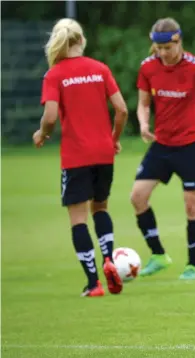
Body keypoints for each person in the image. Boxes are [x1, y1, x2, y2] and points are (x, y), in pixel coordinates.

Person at [33, 18, 129, 297]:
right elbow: (121, 110)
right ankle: (109, 259)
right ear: (82, 41)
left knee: (78, 219)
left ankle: (93, 282)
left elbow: (50, 116)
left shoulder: (55, 74)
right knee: (100, 208)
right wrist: (114, 139)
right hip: (103, 153)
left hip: (76, 156)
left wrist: (42, 133)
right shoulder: (100, 69)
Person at [131, 17, 195, 280]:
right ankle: (159, 255)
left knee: (191, 205)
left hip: (191, 145)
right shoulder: (148, 67)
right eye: (158, 49)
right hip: (162, 144)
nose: (163, 54)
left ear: (178, 42)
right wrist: (142, 123)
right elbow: (143, 103)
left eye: (167, 48)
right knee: (137, 196)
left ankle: (192, 265)